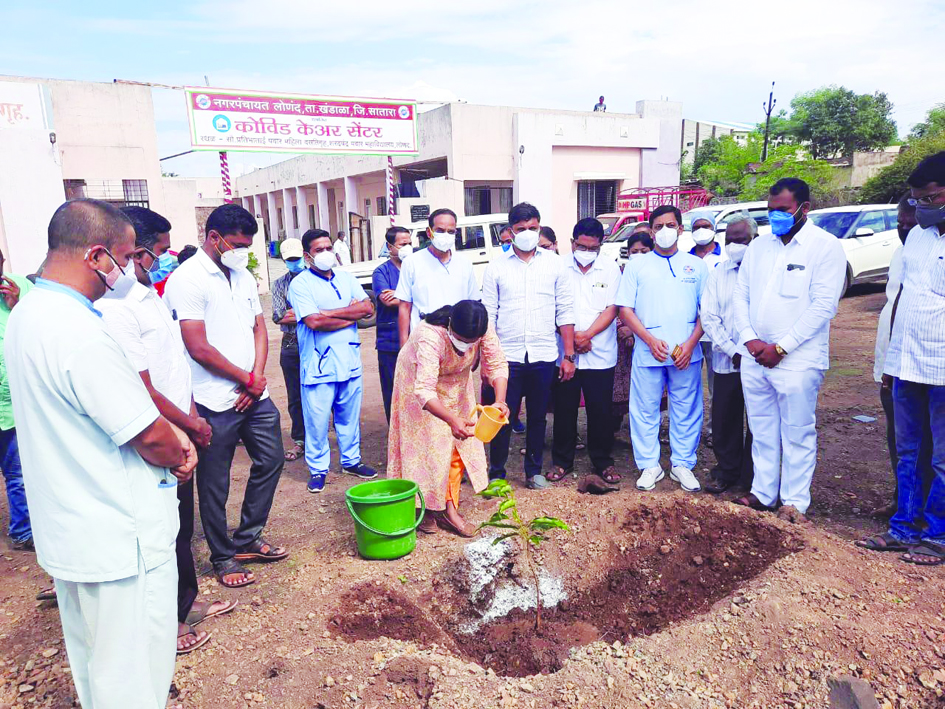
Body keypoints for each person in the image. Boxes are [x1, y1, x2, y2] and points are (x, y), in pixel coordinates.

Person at [6, 199, 197, 708]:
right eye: (127, 256)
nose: (131, 269)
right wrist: (179, 449)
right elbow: (147, 433)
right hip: (119, 537)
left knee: (97, 666)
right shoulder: (81, 333)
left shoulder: (28, 314)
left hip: (73, 529)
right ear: (96, 256)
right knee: (132, 677)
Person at [98, 205, 236, 654]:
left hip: (181, 425)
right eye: (157, 252)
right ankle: (168, 623)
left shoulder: (148, 295)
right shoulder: (116, 309)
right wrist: (189, 424)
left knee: (179, 525)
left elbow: (174, 369)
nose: (162, 260)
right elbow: (143, 388)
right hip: (159, 433)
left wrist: (192, 417)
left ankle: (184, 604)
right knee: (158, 531)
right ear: (135, 252)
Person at [164, 203, 288, 589]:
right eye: (236, 243)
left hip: (253, 393)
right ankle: (223, 556)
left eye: (248, 245)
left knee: (271, 459)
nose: (242, 250)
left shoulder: (242, 275)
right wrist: (244, 379)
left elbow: (259, 329)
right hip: (210, 398)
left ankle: (248, 536)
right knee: (214, 483)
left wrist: (257, 378)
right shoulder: (187, 280)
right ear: (213, 237)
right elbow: (197, 347)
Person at [733, 177, 846, 522]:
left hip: (797, 360)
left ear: (804, 208)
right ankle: (763, 492)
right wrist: (750, 339)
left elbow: (824, 306)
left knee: (796, 432)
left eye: (782, 210)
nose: (775, 216)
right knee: (762, 427)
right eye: (770, 210)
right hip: (755, 357)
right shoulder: (759, 247)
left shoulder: (825, 247)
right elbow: (741, 295)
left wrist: (782, 347)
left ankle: (794, 502)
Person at [860, 152, 945, 564]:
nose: (920, 208)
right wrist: (891, 364)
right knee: (909, 451)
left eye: (929, 198)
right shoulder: (919, 238)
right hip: (907, 365)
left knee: (944, 459)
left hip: (943, 368)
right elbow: (903, 303)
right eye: (915, 200)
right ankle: (903, 527)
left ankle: (938, 537)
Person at [388, 301, 509, 536]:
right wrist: (450, 419)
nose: (465, 346)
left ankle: (448, 510)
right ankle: (422, 507)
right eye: (461, 339)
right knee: (425, 448)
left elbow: (497, 364)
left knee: (457, 448)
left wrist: (500, 401)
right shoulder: (430, 336)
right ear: (451, 324)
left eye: (471, 341)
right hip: (418, 383)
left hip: (456, 386)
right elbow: (423, 390)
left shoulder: (482, 328)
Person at [482, 202, 576, 490]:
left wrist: (568, 355)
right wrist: (487, 360)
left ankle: (533, 471)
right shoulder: (496, 267)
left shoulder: (555, 264)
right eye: (521, 229)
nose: (527, 233)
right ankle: (496, 473)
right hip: (505, 357)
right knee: (501, 415)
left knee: (537, 417)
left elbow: (565, 311)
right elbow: (489, 315)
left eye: (532, 228)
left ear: (539, 227)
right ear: (510, 231)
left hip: (544, 354)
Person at [616, 204, 707, 493]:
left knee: (687, 408)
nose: (664, 231)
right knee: (644, 408)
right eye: (658, 227)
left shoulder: (697, 266)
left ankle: (682, 464)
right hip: (648, 351)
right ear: (651, 230)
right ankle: (649, 465)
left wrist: (691, 344)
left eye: (670, 225)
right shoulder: (637, 265)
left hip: (686, 353)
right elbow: (625, 309)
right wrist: (649, 340)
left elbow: (708, 310)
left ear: (681, 228)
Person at [289, 229, 377, 493]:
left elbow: (368, 308)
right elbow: (314, 322)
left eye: (329, 248)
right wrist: (350, 315)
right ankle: (318, 469)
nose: (326, 254)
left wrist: (330, 313)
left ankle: (351, 461)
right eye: (319, 250)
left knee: (349, 416)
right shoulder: (301, 284)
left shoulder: (346, 277)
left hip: (349, 360)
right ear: (307, 256)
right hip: (319, 364)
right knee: (316, 420)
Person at [870, 194, 934, 518]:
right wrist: (886, 366)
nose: (904, 228)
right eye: (899, 223)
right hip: (893, 363)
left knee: (932, 445)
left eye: (910, 222)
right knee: (900, 440)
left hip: (929, 366)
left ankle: (926, 512)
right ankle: (903, 501)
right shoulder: (902, 253)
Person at [550, 218, 621, 484]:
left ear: (601, 246)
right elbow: (552, 307)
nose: (587, 252)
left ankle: (603, 461)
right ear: (572, 243)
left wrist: (587, 335)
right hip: (565, 353)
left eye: (593, 248)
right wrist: (571, 338)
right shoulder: (559, 267)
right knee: (564, 408)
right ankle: (561, 461)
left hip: (600, 351)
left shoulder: (610, 268)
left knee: (600, 410)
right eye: (582, 246)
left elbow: (613, 308)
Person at [701, 214, 756, 493]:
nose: (735, 245)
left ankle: (752, 476)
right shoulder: (718, 274)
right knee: (724, 418)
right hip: (726, 359)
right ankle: (727, 471)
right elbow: (709, 317)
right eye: (730, 240)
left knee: (759, 421)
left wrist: (750, 351)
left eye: (741, 240)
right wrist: (733, 350)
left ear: (754, 240)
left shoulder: (764, 273)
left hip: (760, 361)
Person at [395, 208, 480, 345]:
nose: (445, 235)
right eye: (440, 230)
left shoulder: (464, 263)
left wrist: (475, 346)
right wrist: (404, 346)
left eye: (450, 231)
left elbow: (474, 304)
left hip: (459, 342)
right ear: (429, 232)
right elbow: (404, 307)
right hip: (424, 341)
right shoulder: (412, 263)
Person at [0, 248, 32, 551]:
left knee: (18, 473)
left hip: (12, 406)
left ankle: (22, 531)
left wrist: (18, 304)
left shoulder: (20, 288)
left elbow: (41, 328)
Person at [612, 227, 654, 425]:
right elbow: (615, 304)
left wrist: (636, 331)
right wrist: (623, 328)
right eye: (634, 251)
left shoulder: (658, 276)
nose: (638, 255)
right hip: (622, 338)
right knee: (620, 384)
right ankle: (614, 422)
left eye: (644, 251)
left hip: (649, 338)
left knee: (648, 389)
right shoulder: (620, 273)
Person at [690, 213, 725, 446]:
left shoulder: (725, 257)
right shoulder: (685, 258)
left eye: (706, 226)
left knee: (716, 384)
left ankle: (714, 430)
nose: (702, 230)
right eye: (697, 226)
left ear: (714, 228)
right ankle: (685, 430)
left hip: (717, 332)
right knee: (687, 385)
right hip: (690, 332)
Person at [271, 238, 307, 461]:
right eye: (290, 260)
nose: (295, 263)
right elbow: (278, 315)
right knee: (295, 395)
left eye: (297, 258)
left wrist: (297, 312)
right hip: (292, 343)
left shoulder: (316, 278)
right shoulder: (279, 284)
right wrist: (311, 313)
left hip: (316, 341)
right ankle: (300, 439)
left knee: (327, 392)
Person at [373, 226, 412, 421]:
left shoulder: (416, 267)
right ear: (390, 247)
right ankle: (395, 434)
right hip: (390, 342)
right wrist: (413, 296)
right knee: (393, 390)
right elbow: (386, 301)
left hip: (416, 338)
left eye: (410, 243)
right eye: (402, 244)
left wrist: (399, 295)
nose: (407, 247)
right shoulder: (381, 272)